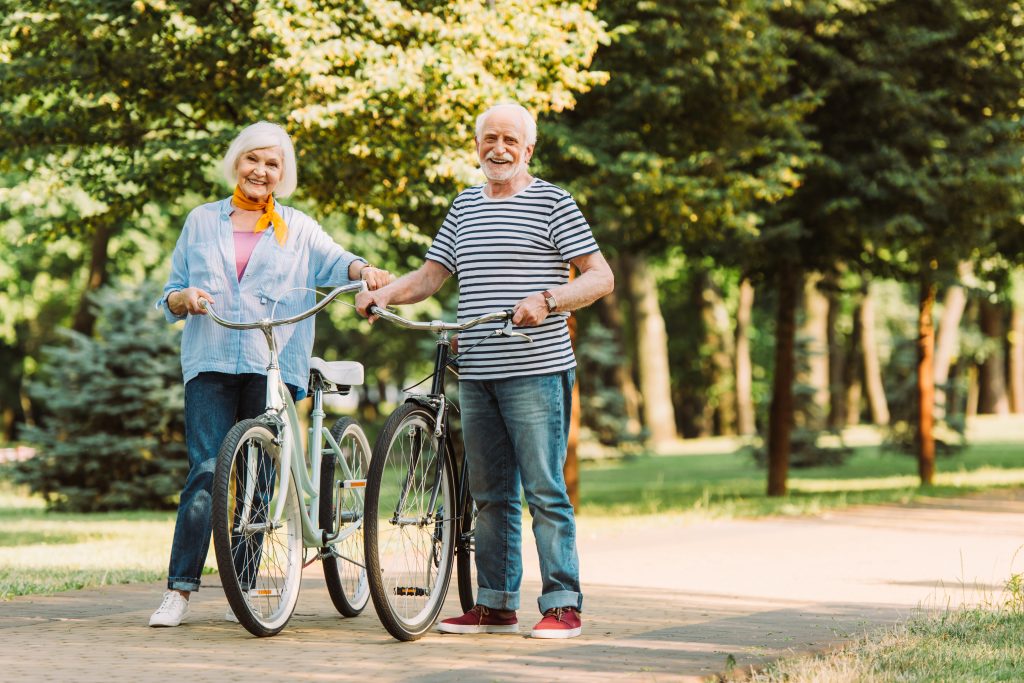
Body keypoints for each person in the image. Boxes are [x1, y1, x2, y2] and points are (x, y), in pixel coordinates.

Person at [355, 103, 614, 639]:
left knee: (544, 491)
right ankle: (495, 604)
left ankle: (563, 604)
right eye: (488, 139)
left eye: (509, 140)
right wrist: (380, 295)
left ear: (528, 149)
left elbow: (600, 277)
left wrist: (549, 298)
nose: (498, 149)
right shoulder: (465, 206)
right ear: (477, 146)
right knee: (491, 494)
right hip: (476, 370)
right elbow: (430, 277)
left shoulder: (553, 203)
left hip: (536, 369)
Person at [149, 121, 391, 627]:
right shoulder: (200, 221)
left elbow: (336, 260)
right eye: (253, 159)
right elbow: (169, 292)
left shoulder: (297, 228)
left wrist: (364, 270)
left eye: (272, 163)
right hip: (210, 361)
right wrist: (183, 298)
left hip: (270, 365)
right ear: (237, 162)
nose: (261, 170)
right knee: (206, 471)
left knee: (259, 476)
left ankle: (244, 586)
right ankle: (180, 590)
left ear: (284, 174)